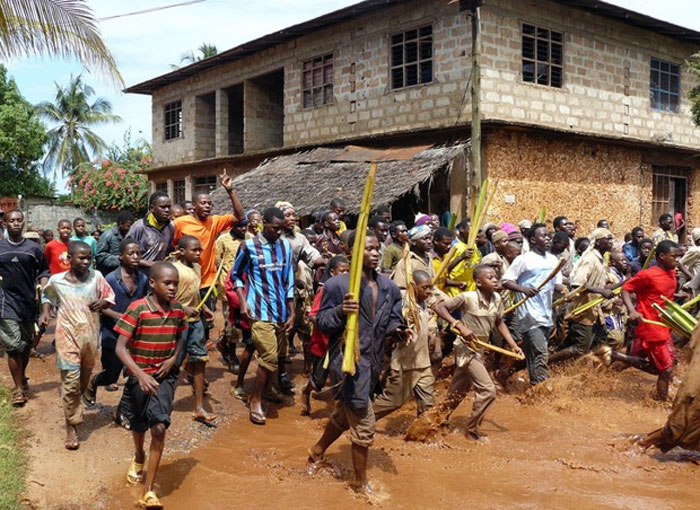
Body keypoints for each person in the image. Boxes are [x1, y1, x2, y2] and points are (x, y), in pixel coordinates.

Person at [307, 231, 405, 493]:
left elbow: (393, 318)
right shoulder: (338, 286)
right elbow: (322, 323)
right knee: (364, 422)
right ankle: (360, 484)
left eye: (376, 249)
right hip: (348, 363)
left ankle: (317, 451)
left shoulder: (389, 287)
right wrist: (341, 311)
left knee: (345, 413)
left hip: (374, 364)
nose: (375, 253)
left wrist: (398, 330)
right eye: (368, 249)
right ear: (352, 251)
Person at [113, 261, 188, 510]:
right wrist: (140, 375)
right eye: (167, 283)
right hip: (139, 376)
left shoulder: (178, 311)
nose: (172, 288)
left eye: (175, 283)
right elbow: (120, 348)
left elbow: (180, 337)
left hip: (164, 376)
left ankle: (148, 492)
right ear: (153, 283)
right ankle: (139, 454)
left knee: (159, 426)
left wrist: (174, 357)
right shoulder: (138, 309)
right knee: (138, 423)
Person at [434, 265, 523, 440]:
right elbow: (440, 308)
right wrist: (459, 325)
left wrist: (513, 345)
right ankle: (472, 432)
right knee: (488, 390)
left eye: (496, 277)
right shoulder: (467, 297)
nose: (495, 280)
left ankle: (436, 419)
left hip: (481, 348)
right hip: (466, 349)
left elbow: (499, 322)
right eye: (490, 277)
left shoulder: (497, 298)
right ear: (478, 282)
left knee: (458, 390)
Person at [41, 241, 115, 450]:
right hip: (67, 337)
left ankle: (76, 405)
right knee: (71, 384)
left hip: (90, 338)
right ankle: (71, 425)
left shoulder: (96, 277)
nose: (86, 261)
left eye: (89, 258)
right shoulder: (57, 280)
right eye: (81, 258)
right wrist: (46, 313)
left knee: (81, 382)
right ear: (69, 259)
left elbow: (109, 297)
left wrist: (102, 303)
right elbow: (47, 295)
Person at [231, 207, 294, 425]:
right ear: (264, 224)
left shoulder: (286, 246)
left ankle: (268, 390)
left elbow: (289, 281)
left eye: (281, 229)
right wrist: (243, 301)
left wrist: (292, 311)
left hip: (281, 311)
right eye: (275, 228)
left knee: (279, 356)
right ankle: (255, 400)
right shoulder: (248, 246)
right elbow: (236, 275)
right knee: (269, 357)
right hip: (259, 311)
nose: (278, 232)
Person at [173, 172, 244, 341]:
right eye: (203, 203)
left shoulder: (215, 221)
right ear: (194, 205)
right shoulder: (181, 223)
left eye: (209, 204)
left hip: (207, 282)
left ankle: (198, 354)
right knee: (182, 321)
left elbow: (240, 216)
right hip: (187, 280)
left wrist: (230, 190)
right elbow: (174, 246)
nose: (207, 206)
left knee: (205, 323)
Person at [613, 240, 681, 401]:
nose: (677, 260)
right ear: (662, 256)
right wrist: (632, 310)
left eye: (678, 257)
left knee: (653, 362)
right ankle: (661, 402)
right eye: (674, 257)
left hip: (663, 325)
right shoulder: (648, 275)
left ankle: (613, 358)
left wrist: (678, 296)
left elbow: (662, 295)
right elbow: (625, 289)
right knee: (666, 369)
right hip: (650, 326)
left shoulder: (672, 272)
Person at [84, 238, 149, 406]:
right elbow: (100, 306)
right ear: (120, 256)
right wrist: (120, 316)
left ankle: (124, 409)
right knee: (111, 375)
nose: (135, 257)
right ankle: (93, 382)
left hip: (134, 335)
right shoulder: (111, 279)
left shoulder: (142, 279)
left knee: (133, 375)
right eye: (131, 254)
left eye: (138, 254)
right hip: (112, 333)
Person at [502, 223, 564, 385]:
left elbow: (556, 284)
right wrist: (523, 289)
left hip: (546, 313)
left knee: (535, 353)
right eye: (543, 236)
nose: (548, 239)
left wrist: (564, 291)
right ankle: (542, 387)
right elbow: (506, 280)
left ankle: (511, 377)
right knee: (540, 353)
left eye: (549, 236)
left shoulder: (553, 259)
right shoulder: (523, 259)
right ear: (532, 240)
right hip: (529, 315)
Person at [0, 210, 50, 407]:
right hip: (5, 303)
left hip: (28, 303)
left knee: (26, 345)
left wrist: (45, 286)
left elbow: (44, 270)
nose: (16, 224)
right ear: (5, 223)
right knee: (13, 346)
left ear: (23, 223)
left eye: (19, 220)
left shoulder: (34, 249)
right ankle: (18, 389)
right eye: (12, 220)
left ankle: (21, 376)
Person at [373, 270, 436, 420]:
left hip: (423, 362)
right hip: (404, 364)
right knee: (392, 402)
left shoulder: (425, 303)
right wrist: (401, 327)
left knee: (428, 404)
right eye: (424, 287)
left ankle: (423, 434)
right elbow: (393, 324)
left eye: (430, 287)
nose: (428, 291)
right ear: (413, 287)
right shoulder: (404, 304)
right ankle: (358, 421)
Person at [549, 228, 614, 365]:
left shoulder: (601, 260)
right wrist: (601, 291)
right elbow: (576, 283)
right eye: (607, 239)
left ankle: (582, 369)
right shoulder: (590, 259)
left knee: (599, 340)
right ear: (597, 242)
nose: (611, 242)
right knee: (579, 348)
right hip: (582, 309)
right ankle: (548, 361)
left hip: (595, 310)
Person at [280, 202, 325, 388]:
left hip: (297, 292)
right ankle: (280, 373)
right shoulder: (272, 239)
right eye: (288, 215)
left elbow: (313, 256)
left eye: (294, 214)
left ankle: (309, 369)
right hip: (278, 294)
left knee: (305, 329)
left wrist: (326, 262)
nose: (293, 218)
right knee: (282, 332)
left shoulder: (299, 239)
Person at [172, 235, 217, 423]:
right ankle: (162, 401)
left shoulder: (197, 267)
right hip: (178, 321)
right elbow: (164, 297)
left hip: (196, 320)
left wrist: (204, 307)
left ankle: (198, 407)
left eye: (200, 250)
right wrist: (182, 308)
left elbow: (195, 292)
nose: (199, 253)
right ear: (182, 251)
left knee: (200, 360)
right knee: (173, 362)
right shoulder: (173, 269)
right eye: (194, 250)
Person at [301, 254, 350, 416]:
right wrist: (329, 323)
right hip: (324, 343)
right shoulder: (325, 289)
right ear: (333, 272)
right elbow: (313, 315)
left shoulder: (350, 290)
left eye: (347, 271)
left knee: (342, 379)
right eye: (342, 271)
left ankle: (340, 413)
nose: (345, 274)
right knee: (318, 382)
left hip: (342, 343)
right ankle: (306, 392)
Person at [214, 218, 248, 373]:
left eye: (245, 226)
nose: (243, 229)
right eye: (240, 226)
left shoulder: (250, 240)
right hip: (228, 287)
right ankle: (233, 356)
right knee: (232, 323)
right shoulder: (223, 240)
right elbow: (217, 261)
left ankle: (223, 343)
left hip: (246, 286)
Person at [127, 191, 175, 271]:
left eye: (169, 207)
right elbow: (126, 254)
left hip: (159, 273)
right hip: (139, 274)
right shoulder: (139, 227)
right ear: (151, 208)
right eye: (163, 207)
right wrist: (149, 264)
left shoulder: (170, 227)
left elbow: (168, 251)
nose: (167, 210)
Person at [392, 225, 435, 294]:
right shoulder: (407, 262)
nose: (429, 241)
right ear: (414, 242)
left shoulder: (429, 258)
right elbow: (400, 288)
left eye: (430, 238)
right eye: (425, 239)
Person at [446, 218, 481, 296]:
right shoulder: (454, 246)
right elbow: (445, 269)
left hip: (471, 291)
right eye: (471, 229)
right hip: (456, 292)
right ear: (462, 229)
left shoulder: (474, 246)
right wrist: (461, 257)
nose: (474, 232)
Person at [96, 210, 135, 275]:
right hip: (108, 274)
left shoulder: (130, 236)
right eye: (128, 226)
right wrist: (120, 260)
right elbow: (99, 256)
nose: (131, 228)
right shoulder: (108, 235)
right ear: (120, 224)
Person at [432, 226, 466, 293]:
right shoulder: (430, 259)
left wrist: (458, 284)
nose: (449, 247)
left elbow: (442, 279)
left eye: (450, 243)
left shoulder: (445, 257)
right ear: (436, 241)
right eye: (445, 244)